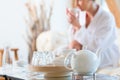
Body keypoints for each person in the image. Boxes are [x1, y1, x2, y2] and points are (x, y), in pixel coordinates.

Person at [66, 0, 120, 68]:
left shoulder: (107, 18)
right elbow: (72, 40)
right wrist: (74, 25)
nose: (76, 4)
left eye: (79, 0)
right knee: (60, 52)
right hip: (83, 59)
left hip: (104, 60)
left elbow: (96, 46)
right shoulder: (81, 15)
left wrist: (78, 27)